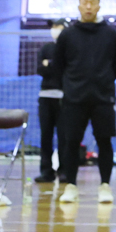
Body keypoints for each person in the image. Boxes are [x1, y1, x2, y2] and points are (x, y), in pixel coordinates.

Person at [49, 0, 116, 205]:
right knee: (71, 141)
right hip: (74, 98)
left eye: (93, 3)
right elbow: (58, 65)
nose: (89, 6)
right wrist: (71, 86)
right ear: (79, 6)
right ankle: (71, 186)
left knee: (104, 141)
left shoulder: (111, 34)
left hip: (103, 98)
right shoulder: (67, 34)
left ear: (99, 6)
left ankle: (105, 186)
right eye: (85, 3)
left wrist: (103, 82)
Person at [35, 21, 66, 183]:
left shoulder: (68, 49)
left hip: (63, 98)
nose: (55, 31)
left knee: (64, 136)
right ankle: (46, 171)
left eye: (59, 28)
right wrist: (50, 66)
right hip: (45, 97)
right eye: (54, 28)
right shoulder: (46, 48)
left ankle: (64, 170)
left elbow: (64, 70)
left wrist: (50, 64)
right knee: (45, 135)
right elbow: (40, 69)